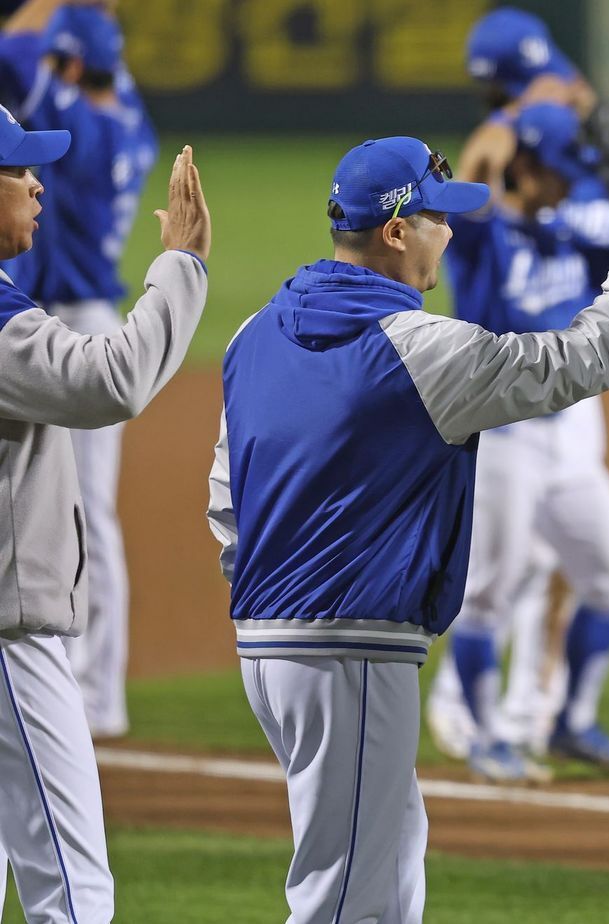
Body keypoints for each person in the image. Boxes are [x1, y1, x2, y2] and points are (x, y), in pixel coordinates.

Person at [207, 136, 609, 921]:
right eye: (437, 217)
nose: (451, 231)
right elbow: (577, 360)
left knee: (394, 858)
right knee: (346, 899)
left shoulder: (251, 334)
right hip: (351, 646)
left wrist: (274, 595)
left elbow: (226, 497)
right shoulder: (419, 348)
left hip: (268, 644)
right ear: (397, 231)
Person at [426, 7, 609, 766]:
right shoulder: (480, 226)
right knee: (489, 590)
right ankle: (484, 734)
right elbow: (476, 168)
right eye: (559, 165)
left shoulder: (574, 221)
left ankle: (567, 719)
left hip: (569, 435)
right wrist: (518, 121)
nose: (572, 176)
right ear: (526, 162)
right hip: (503, 435)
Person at [1, 119, 208, 922]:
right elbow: (111, 381)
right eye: (18, 170)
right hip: (10, 643)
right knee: (73, 889)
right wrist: (181, 263)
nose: (38, 185)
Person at [0, 0, 157, 740]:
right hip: (88, 313)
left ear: (68, 63)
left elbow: (17, 48)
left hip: (73, 321)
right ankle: (101, 686)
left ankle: (95, 689)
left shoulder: (81, 120)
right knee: (90, 508)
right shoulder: (130, 118)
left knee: (85, 510)